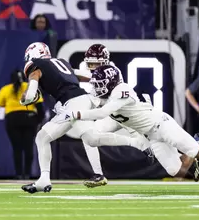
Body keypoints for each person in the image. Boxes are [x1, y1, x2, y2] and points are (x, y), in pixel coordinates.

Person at [57, 65, 199, 196]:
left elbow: (103, 112)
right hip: (151, 134)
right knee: (175, 170)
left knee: (198, 153)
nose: (96, 88)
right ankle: (198, 141)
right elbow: (86, 79)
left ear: (110, 82)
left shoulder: (122, 90)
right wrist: (62, 72)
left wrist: (75, 114)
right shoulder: (104, 92)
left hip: (161, 124)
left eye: (100, 84)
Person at [20, 42, 149, 193]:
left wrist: (25, 100)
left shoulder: (35, 66)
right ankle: (44, 180)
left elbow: (29, 95)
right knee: (44, 137)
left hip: (72, 105)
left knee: (89, 139)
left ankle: (137, 143)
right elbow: (87, 76)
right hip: (80, 100)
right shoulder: (61, 63)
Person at [0, 69, 44, 179]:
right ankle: (27, 174)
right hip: (29, 118)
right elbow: (40, 106)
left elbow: (0, 104)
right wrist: (37, 121)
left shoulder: (5, 89)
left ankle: (18, 174)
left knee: (17, 148)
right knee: (28, 147)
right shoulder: (30, 87)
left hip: (12, 119)